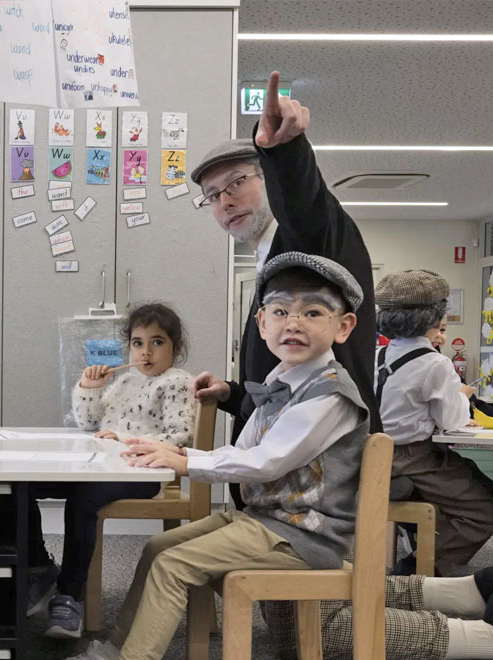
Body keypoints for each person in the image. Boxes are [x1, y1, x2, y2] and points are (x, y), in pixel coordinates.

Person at [68, 252, 370, 660]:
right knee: (158, 547)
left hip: (300, 537)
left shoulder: (329, 394)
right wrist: (175, 451)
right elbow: (243, 450)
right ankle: (114, 648)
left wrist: (185, 461)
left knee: (172, 565)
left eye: (313, 312)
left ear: (343, 326)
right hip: (263, 520)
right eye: (280, 311)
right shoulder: (281, 380)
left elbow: (267, 461)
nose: (293, 323)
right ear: (263, 324)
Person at [189, 72, 380, 509]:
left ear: (268, 180)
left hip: (312, 487)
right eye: (213, 195)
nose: (225, 202)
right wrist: (234, 394)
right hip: (285, 476)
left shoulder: (309, 241)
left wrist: (282, 152)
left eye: (237, 182)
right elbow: (291, 379)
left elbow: (305, 204)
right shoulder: (267, 262)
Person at [28, 303, 196, 638]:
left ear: (175, 348)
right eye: (138, 342)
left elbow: (178, 436)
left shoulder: (178, 383)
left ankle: (69, 595)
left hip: (140, 473)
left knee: (84, 497)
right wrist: (90, 389)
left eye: (158, 342)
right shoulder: (123, 382)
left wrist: (122, 438)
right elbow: (90, 424)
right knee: (21, 484)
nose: (146, 352)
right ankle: (38, 567)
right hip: (100, 466)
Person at [374, 269, 493, 575]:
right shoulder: (435, 363)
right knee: (484, 510)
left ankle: (421, 547)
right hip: (412, 459)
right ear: (434, 316)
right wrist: (461, 394)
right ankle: (415, 571)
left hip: (371, 456)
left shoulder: (375, 355)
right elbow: (453, 421)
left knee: (479, 484)